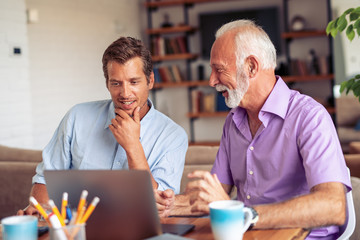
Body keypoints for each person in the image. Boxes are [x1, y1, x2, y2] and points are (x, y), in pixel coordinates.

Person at [155, 20, 351, 239]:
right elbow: (214, 196)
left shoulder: (310, 117)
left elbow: (333, 206)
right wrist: (167, 204)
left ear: (251, 67)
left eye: (218, 69)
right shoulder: (233, 122)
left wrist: (245, 215)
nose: (211, 81)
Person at [18, 36, 188, 215]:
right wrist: (40, 214)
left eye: (134, 82)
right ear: (107, 83)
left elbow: (159, 205)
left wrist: (133, 147)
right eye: (116, 83)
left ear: (150, 81)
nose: (125, 93)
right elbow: (46, 179)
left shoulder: (173, 136)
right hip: (76, 230)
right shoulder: (77, 117)